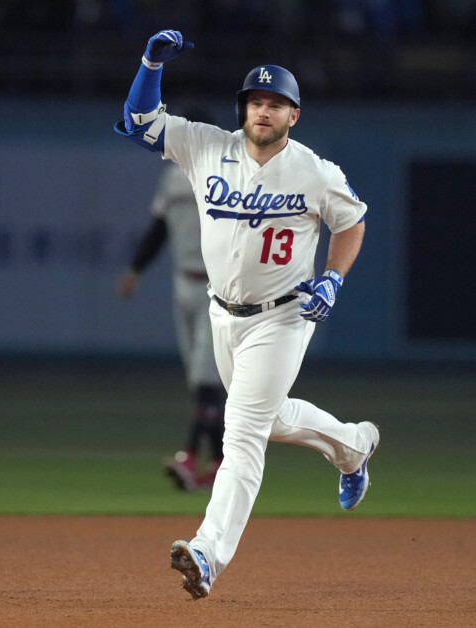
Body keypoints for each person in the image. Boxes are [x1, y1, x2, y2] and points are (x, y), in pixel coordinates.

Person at [113, 29, 379, 601]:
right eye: (256, 102)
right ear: (244, 108)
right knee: (268, 417)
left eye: (276, 104)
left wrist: (332, 277)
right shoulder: (206, 145)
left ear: (294, 115)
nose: (264, 110)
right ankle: (353, 446)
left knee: (242, 433)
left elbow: (352, 222)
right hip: (221, 315)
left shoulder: (314, 170)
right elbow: (139, 123)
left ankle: (208, 553)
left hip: (284, 317)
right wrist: (150, 65)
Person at [116, 108, 225, 491]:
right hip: (183, 286)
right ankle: (222, 467)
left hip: (219, 290)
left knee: (206, 378)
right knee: (201, 381)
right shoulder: (172, 177)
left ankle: (191, 455)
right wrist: (135, 269)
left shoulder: (225, 175)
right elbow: (158, 230)